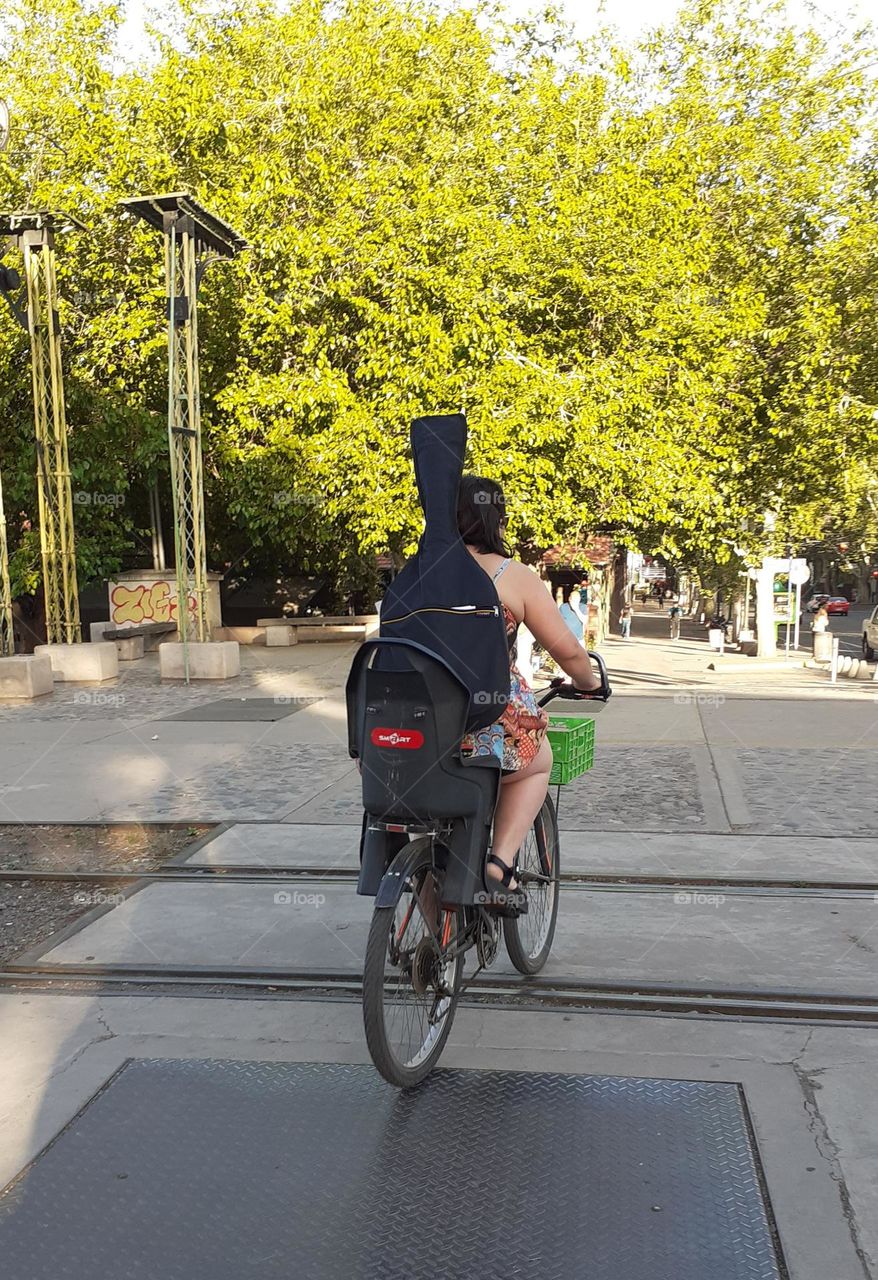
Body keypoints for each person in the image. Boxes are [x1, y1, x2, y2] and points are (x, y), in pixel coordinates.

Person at [457, 476, 601, 900]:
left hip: (414, 723)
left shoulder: (418, 572)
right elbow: (568, 651)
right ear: (496, 520)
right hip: (485, 723)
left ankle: (431, 922)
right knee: (539, 762)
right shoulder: (512, 575)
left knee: (427, 823)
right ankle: (500, 863)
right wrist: (589, 683)